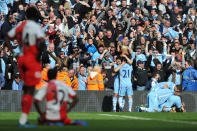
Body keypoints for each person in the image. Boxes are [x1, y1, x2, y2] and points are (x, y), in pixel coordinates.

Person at [6, 7, 46, 127]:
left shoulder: (20, 25)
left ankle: (34, 116)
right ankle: (31, 118)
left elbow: (7, 37)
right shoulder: (35, 27)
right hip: (31, 60)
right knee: (31, 89)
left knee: (27, 89)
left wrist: (14, 52)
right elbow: (42, 44)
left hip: (21, 59)